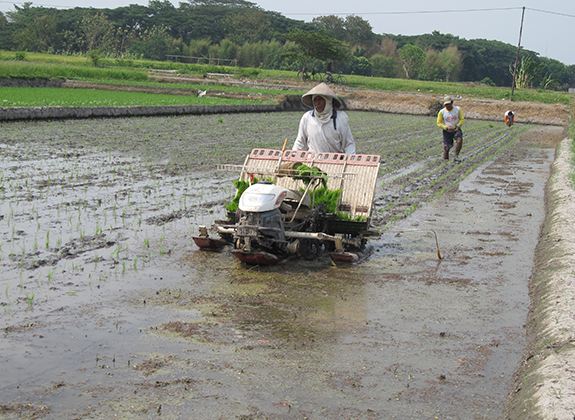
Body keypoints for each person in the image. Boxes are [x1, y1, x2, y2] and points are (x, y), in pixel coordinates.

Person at [292, 82, 356, 154]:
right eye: (315, 100)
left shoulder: (340, 119)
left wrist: (350, 161)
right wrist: (293, 156)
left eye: (320, 99)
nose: (317, 103)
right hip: (313, 160)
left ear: (329, 101)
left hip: (335, 161)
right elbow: (300, 142)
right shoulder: (307, 118)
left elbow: (348, 145)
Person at [437, 95, 464, 162]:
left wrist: (458, 126)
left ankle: (456, 156)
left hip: (456, 129)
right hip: (447, 131)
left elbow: (461, 119)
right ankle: (445, 161)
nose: (447, 106)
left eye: (449, 104)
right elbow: (439, 122)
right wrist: (446, 127)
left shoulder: (457, 109)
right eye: (446, 105)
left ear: (452, 103)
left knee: (459, 140)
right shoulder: (442, 112)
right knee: (447, 148)